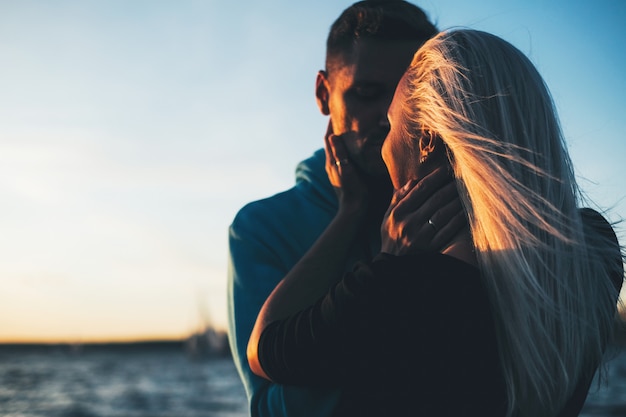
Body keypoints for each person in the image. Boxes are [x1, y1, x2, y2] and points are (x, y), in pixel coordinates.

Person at [247, 29, 625, 417]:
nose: (384, 141)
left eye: (392, 125)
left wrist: (370, 239)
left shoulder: (404, 292)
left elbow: (264, 349)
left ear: (427, 139)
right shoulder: (596, 251)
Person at [227, 1, 447, 416]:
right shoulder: (260, 229)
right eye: (366, 93)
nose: (390, 116)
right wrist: (354, 222)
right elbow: (271, 409)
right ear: (323, 93)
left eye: (411, 96)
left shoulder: (459, 212)